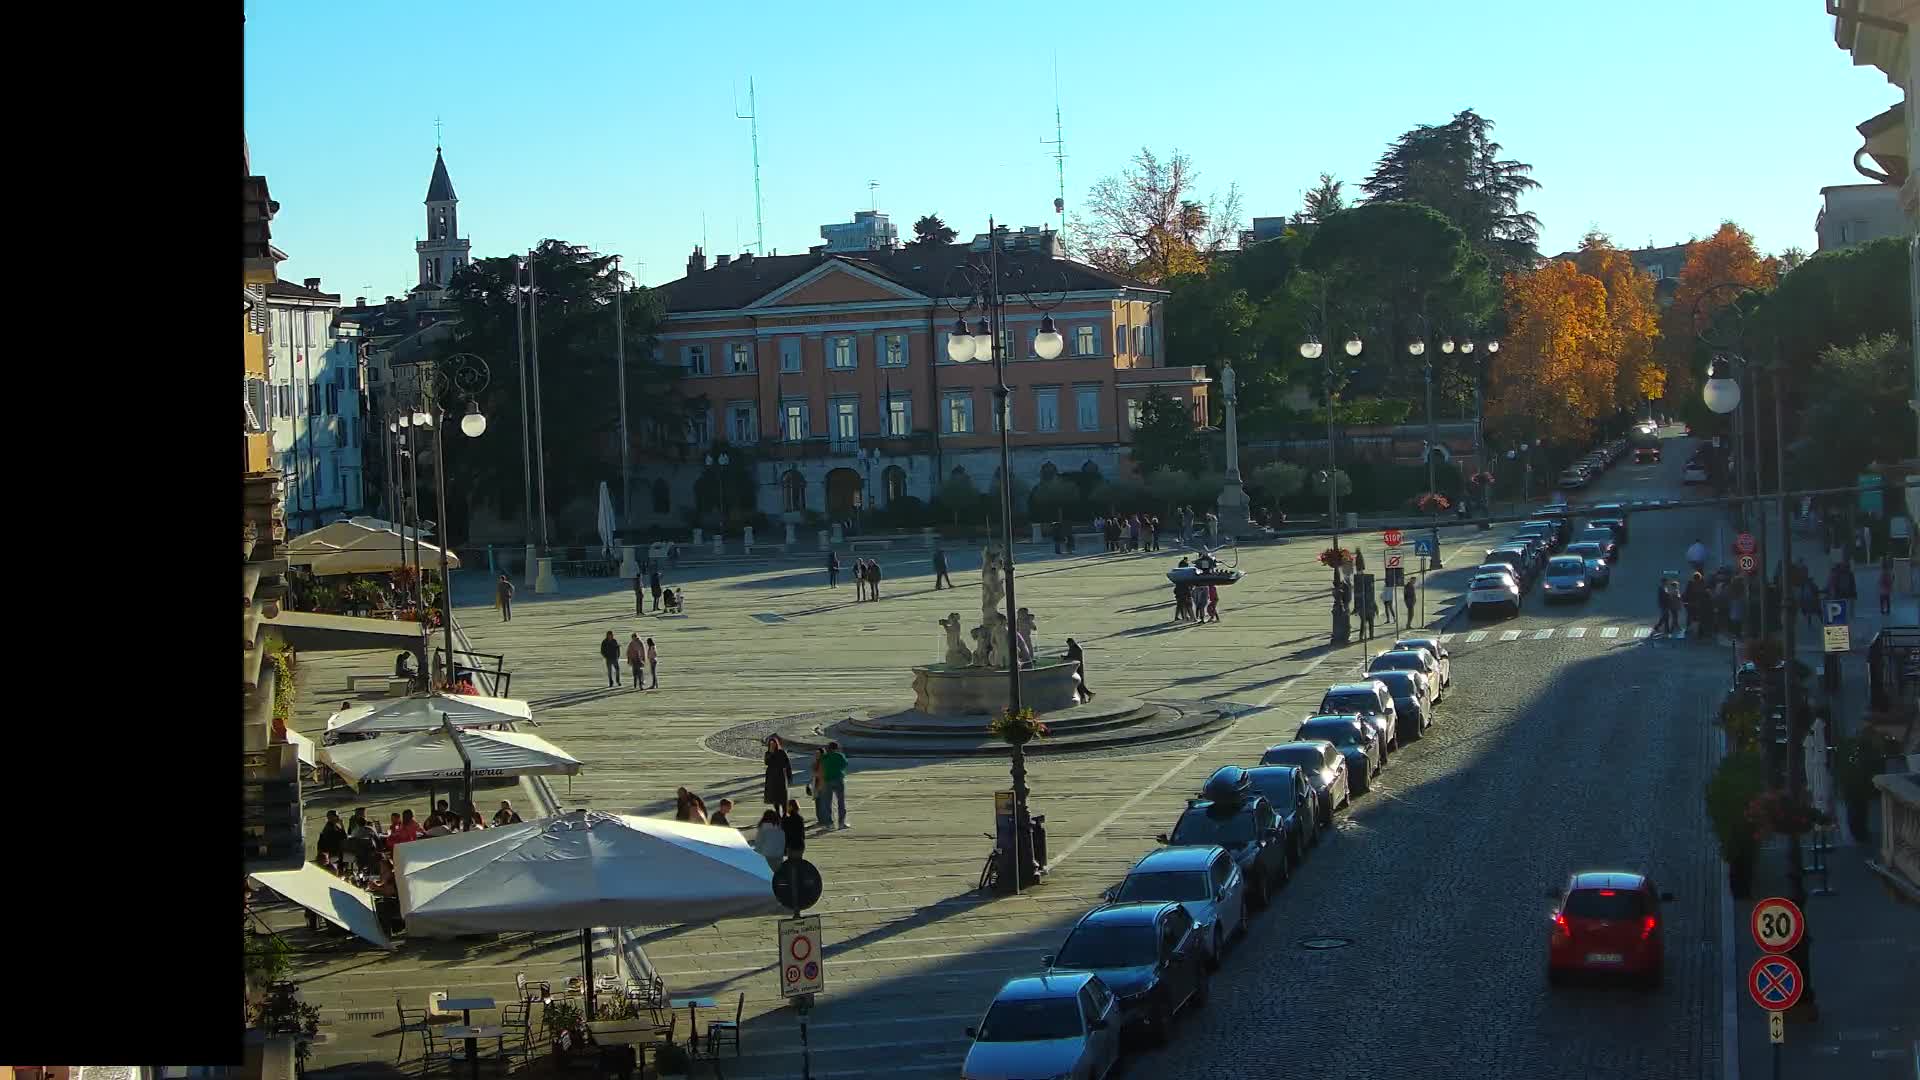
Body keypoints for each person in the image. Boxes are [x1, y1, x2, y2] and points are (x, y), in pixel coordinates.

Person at [820, 740, 850, 830]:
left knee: (827, 803)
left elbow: (821, 765)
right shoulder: (840, 756)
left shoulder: (824, 757)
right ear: (836, 748)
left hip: (827, 780)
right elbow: (845, 765)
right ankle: (841, 823)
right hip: (838, 779)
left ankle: (829, 823)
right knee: (841, 801)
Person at [763, 735, 793, 809]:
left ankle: (785, 812)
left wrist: (789, 776)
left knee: (782, 796)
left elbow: (787, 764)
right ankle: (777, 813)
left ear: (776, 744)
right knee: (774, 797)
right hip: (772, 777)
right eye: (771, 744)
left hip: (780, 776)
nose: (772, 745)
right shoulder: (768, 753)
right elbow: (766, 762)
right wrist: (771, 753)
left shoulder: (781, 752)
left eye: (773, 744)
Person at [809, 754, 832, 827]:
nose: (817, 755)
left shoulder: (826, 763)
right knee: (818, 804)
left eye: (819, 754)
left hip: (823, 786)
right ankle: (820, 820)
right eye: (816, 754)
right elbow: (813, 774)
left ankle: (828, 820)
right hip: (816, 786)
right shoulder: (815, 763)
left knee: (825, 804)